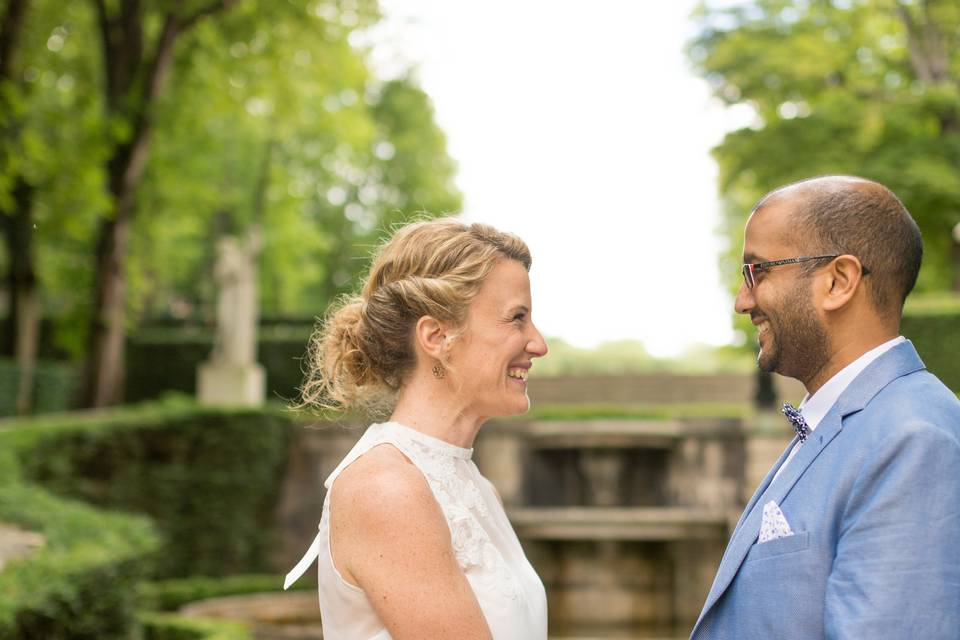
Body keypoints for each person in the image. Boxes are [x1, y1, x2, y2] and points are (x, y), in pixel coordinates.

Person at [691, 176, 960, 639]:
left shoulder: (914, 440)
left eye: (758, 271)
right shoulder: (849, 422)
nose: (742, 301)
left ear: (838, 281)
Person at [283, 219, 549, 639]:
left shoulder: (478, 488)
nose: (538, 343)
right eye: (517, 318)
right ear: (437, 335)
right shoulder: (387, 489)